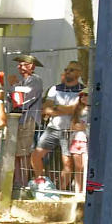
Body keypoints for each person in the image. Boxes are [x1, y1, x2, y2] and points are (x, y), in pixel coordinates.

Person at [30, 61, 87, 193]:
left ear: (79, 73)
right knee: (36, 155)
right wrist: (65, 109)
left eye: (72, 70)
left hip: (69, 131)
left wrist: (56, 108)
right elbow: (45, 108)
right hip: (53, 128)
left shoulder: (82, 91)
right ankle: (40, 184)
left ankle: (61, 191)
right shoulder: (55, 89)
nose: (68, 71)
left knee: (67, 163)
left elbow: (75, 110)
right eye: (66, 69)